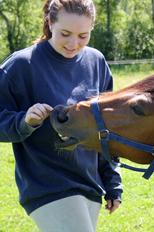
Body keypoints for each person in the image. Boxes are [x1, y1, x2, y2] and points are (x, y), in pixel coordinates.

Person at [0, 0, 123, 231]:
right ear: (50, 22)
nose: (73, 43)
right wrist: (24, 121)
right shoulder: (20, 65)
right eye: (65, 34)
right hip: (48, 186)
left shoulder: (96, 62)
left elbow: (106, 130)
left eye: (83, 36)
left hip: (90, 184)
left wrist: (112, 182)